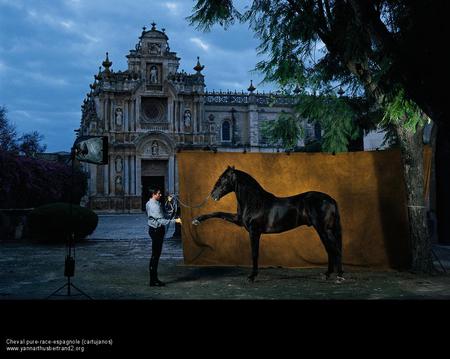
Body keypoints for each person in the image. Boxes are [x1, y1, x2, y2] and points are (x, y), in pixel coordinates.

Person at [146, 188, 182, 286]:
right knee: (155, 256)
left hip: (154, 230)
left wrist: (168, 202)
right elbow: (162, 220)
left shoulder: (151, 203)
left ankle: (154, 279)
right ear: (153, 194)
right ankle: (153, 281)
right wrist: (176, 221)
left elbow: (164, 214)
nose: (160, 195)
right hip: (156, 231)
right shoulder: (154, 206)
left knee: (155, 255)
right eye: (159, 193)